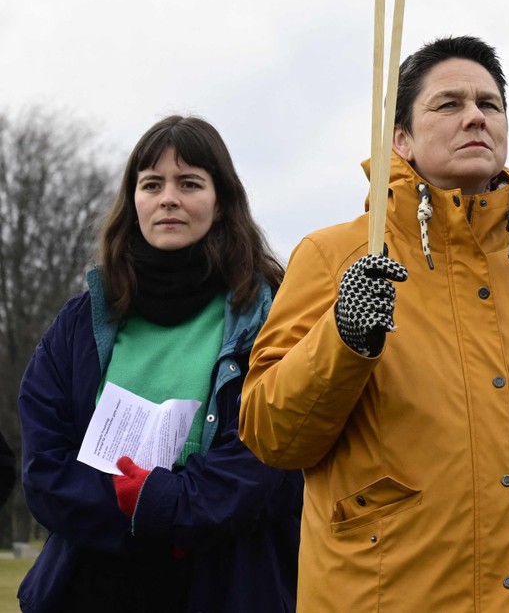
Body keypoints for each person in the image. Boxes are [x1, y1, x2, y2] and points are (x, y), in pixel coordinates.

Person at [239, 35, 509, 612]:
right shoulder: (333, 256)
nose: (475, 117)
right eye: (449, 104)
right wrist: (343, 340)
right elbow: (271, 435)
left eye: (490, 104)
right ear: (400, 139)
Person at [17, 115, 301, 612]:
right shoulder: (81, 320)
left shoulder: (271, 315)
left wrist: (165, 508)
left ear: (221, 201)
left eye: (189, 183)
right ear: (134, 203)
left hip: (225, 582)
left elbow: (268, 458)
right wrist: (134, 518)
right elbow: (45, 466)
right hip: (90, 586)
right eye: (152, 184)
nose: (168, 197)